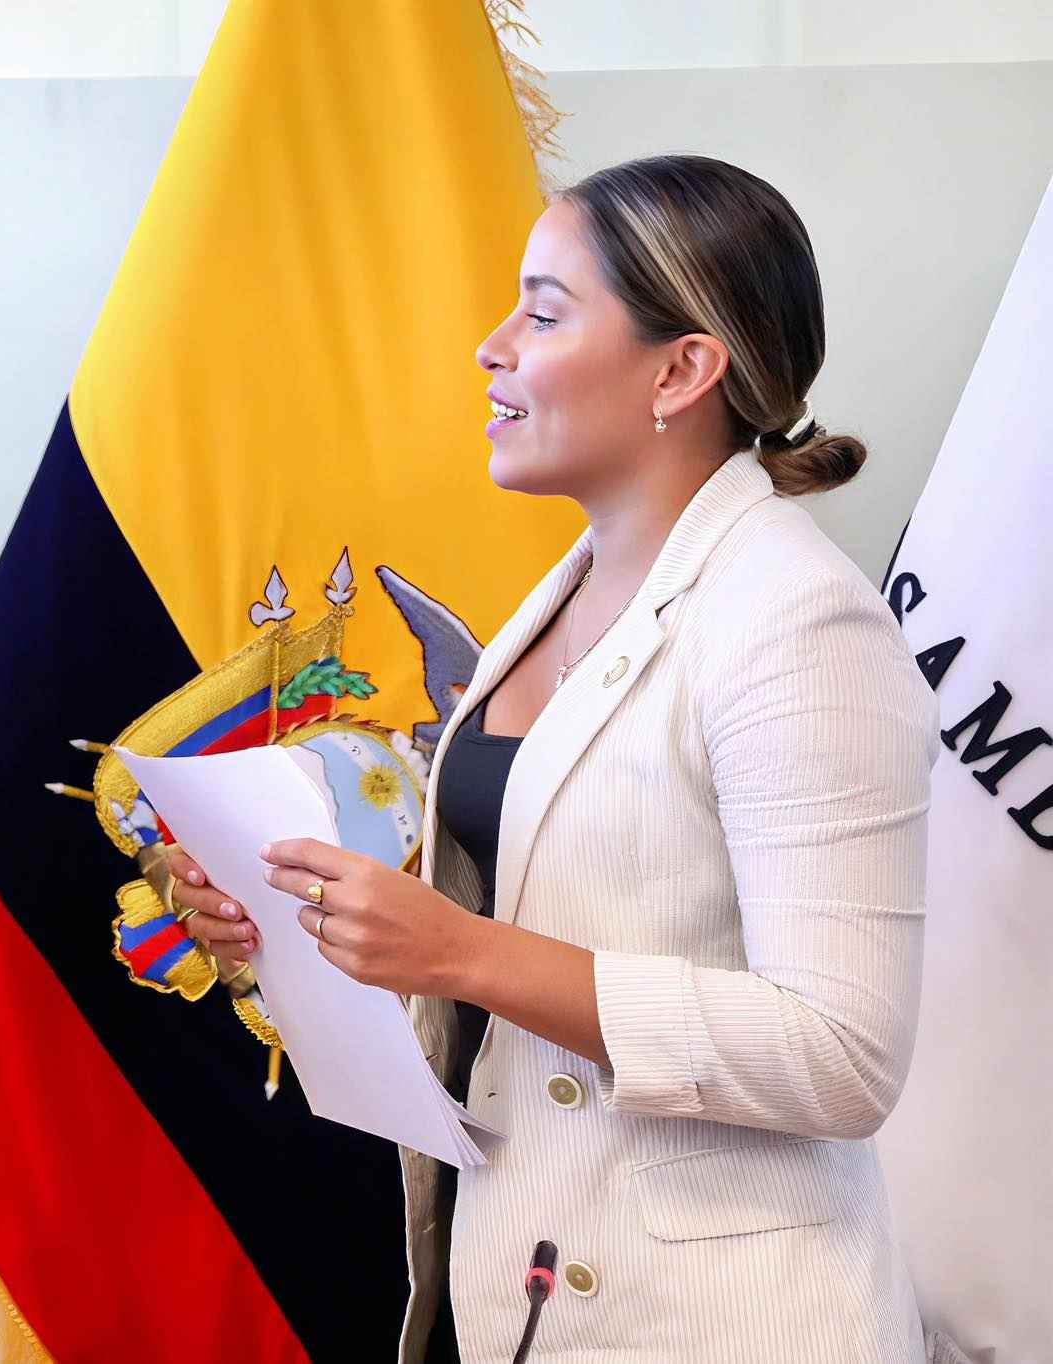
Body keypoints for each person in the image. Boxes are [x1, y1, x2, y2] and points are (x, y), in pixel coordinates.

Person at [173, 156, 936, 1361]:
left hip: (721, 1321)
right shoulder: (568, 589)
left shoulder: (799, 621)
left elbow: (839, 1056)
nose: (489, 348)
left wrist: (459, 951)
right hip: (520, 1277)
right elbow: (536, 926)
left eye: (540, 313)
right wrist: (310, 926)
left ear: (680, 371)